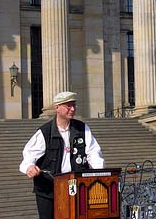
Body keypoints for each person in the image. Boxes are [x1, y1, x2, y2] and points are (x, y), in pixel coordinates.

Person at [20, 91, 105, 219]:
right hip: (49, 190)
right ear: (57, 108)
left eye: (74, 105)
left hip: (75, 187)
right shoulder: (45, 132)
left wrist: (99, 173)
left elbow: (94, 152)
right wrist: (29, 167)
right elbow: (29, 155)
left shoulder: (82, 129)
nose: (72, 109)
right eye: (68, 106)